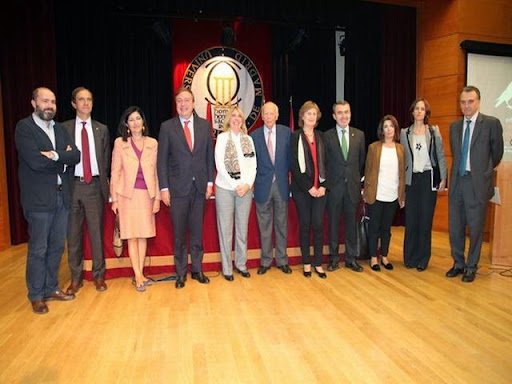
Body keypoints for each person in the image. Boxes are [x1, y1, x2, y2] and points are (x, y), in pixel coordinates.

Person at [15, 87, 80, 314]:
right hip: (39, 201)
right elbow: (35, 161)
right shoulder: (24, 128)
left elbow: (76, 156)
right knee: (38, 249)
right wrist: (63, 158)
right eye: (44, 101)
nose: (49, 105)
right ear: (34, 103)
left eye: (52, 101)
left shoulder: (60, 129)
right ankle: (36, 294)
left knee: (55, 248)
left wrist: (54, 155)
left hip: (62, 197)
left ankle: (51, 287)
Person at [157, 86, 214, 289]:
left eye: (187, 100)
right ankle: (181, 273)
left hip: (199, 188)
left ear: (193, 102)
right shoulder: (167, 127)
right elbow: (161, 161)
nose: (183, 104)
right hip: (177, 190)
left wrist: (209, 183)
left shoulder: (204, 126)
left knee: (198, 232)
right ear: (176, 104)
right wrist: (164, 188)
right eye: (179, 101)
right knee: (180, 234)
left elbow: (209, 156)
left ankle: (197, 270)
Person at [446, 85, 504, 283]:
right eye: (463, 102)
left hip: (477, 183)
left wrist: (483, 172)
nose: (466, 106)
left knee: (476, 227)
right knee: (455, 226)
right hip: (457, 183)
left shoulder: (491, 124)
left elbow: (497, 154)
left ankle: (471, 266)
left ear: (478, 102)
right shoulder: (454, 127)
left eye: (470, 101)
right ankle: (458, 263)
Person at [63, 87, 110, 294]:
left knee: (96, 234)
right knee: (73, 236)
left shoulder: (102, 129)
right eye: (81, 100)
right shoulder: (63, 129)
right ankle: (76, 278)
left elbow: (106, 161)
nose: (85, 103)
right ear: (74, 104)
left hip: (94, 186)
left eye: (89, 99)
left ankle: (99, 276)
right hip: (72, 186)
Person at [110, 106, 160, 292]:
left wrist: (156, 199)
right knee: (131, 236)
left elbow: (155, 171)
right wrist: (114, 198)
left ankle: (140, 273)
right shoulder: (119, 143)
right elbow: (115, 171)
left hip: (147, 196)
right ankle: (138, 275)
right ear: (127, 125)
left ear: (143, 123)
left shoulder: (153, 143)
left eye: (138, 118)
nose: (135, 122)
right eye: (131, 120)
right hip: (127, 196)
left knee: (143, 235)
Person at [400, 98, 447, 271]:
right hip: (412, 180)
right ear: (412, 112)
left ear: (426, 113)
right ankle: (409, 258)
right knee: (411, 219)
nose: (419, 111)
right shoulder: (405, 133)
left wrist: (443, 177)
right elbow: (402, 159)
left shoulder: (434, 131)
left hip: (428, 179)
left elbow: (440, 155)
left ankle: (422, 259)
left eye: (422, 109)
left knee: (425, 220)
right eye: (416, 108)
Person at [214, 106, 257, 280]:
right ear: (229, 119)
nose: (236, 118)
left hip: (245, 191)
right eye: (233, 115)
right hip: (225, 189)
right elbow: (220, 164)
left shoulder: (249, 140)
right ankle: (227, 269)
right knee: (225, 230)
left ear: (243, 120)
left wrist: (247, 185)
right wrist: (235, 184)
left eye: (239, 115)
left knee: (242, 230)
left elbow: (253, 165)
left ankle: (241, 264)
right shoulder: (222, 138)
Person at [250, 101, 292, 275]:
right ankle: (266, 261)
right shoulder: (254, 135)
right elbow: (251, 162)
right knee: (264, 226)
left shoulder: (286, 133)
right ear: (261, 115)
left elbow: (291, 159)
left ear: (277, 115)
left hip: (281, 185)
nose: (268, 117)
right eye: (265, 113)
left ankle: (282, 260)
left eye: (271, 113)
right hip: (262, 186)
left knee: (282, 225)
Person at [324, 100, 366, 272]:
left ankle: (351, 258)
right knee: (333, 225)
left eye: (346, 112)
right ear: (334, 116)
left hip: (352, 189)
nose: (343, 116)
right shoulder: (327, 136)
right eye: (340, 113)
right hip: (334, 188)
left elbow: (361, 162)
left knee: (351, 226)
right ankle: (333, 258)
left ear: (350, 114)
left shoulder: (359, 135)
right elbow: (325, 162)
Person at [290, 101, 327, 279]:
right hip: (302, 190)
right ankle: (306, 263)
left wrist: (323, 186)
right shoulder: (295, 137)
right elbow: (294, 166)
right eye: (308, 113)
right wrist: (309, 187)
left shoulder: (322, 137)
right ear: (302, 116)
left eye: (314, 114)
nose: (311, 116)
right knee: (305, 225)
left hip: (320, 190)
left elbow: (329, 164)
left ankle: (318, 263)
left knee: (318, 225)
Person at [364, 115, 405, 271]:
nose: (389, 129)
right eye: (386, 126)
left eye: (391, 126)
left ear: (395, 129)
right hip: (376, 194)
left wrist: (402, 196)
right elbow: (368, 172)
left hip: (392, 194)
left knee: (386, 229)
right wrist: (367, 193)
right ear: (382, 130)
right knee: (374, 227)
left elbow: (402, 174)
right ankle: (374, 257)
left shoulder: (400, 149)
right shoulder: (374, 147)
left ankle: (385, 256)